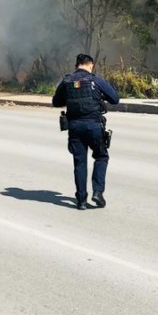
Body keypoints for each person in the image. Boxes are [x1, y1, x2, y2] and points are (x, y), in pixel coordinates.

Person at [52, 54, 120, 210]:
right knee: (101, 156)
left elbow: (56, 102)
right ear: (91, 65)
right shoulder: (96, 80)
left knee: (79, 162)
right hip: (94, 126)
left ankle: (81, 201)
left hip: (75, 127)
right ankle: (98, 192)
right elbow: (115, 99)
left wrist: (69, 98)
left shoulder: (67, 81)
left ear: (77, 65)